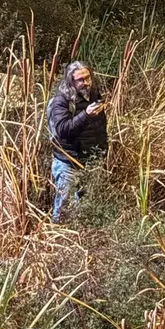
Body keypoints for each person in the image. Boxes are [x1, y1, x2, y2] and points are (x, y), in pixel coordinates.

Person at [47, 61, 108, 222]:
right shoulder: (61, 101)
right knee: (64, 206)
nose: (85, 82)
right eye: (80, 79)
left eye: (87, 78)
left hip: (91, 158)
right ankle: (58, 232)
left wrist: (103, 149)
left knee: (85, 203)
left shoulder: (93, 94)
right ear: (71, 81)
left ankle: (82, 231)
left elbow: (100, 126)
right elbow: (63, 130)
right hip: (69, 161)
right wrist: (86, 115)